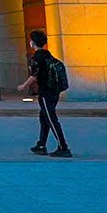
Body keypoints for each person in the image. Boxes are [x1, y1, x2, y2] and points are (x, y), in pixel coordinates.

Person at [17, 29, 71, 157]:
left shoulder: (36, 57)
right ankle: (41, 144)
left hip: (46, 91)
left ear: (33, 43)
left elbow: (34, 76)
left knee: (51, 119)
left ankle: (63, 147)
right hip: (54, 91)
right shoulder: (48, 54)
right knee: (44, 117)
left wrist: (23, 86)